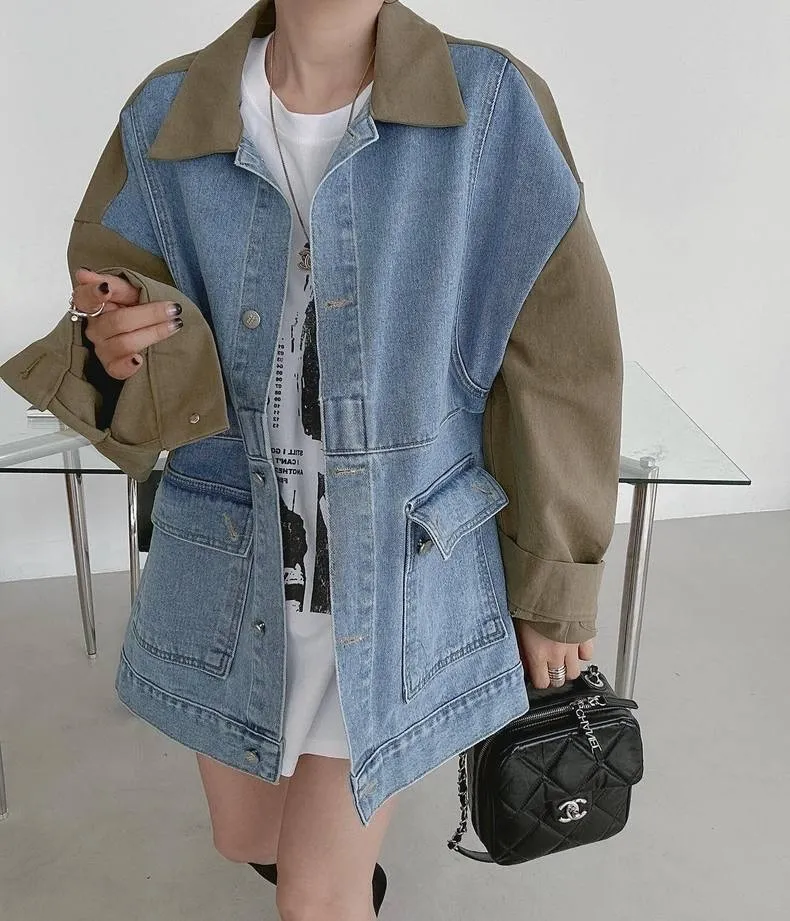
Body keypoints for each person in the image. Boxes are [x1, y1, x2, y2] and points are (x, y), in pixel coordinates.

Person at [0, 1, 622, 918]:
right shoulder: (168, 112)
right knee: (248, 837)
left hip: (402, 575)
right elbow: (112, 327)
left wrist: (553, 580)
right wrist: (117, 347)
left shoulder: (489, 104)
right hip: (232, 567)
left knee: (314, 897)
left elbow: (561, 364)